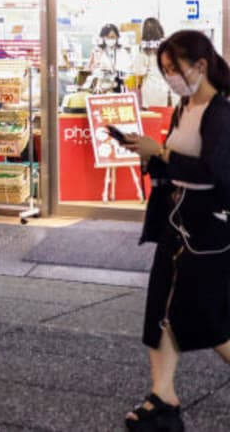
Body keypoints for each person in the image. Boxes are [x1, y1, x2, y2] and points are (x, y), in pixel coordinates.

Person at [118, 30, 230, 431]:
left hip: (208, 233)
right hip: (174, 225)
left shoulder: (222, 111)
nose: (170, 77)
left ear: (200, 65)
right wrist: (151, 156)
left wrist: (162, 154)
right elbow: (176, 163)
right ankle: (162, 394)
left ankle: (164, 396)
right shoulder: (184, 107)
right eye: (163, 70)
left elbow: (216, 176)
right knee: (160, 311)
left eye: (174, 69)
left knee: (207, 319)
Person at [87, 22, 129, 93]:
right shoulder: (97, 51)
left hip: (117, 85)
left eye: (112, 37)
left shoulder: (122, 52)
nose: (110, 39)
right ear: (103, 37)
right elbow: (90, 69)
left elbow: (127, 70)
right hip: (100, 87)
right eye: (107, 37)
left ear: (117, 37)